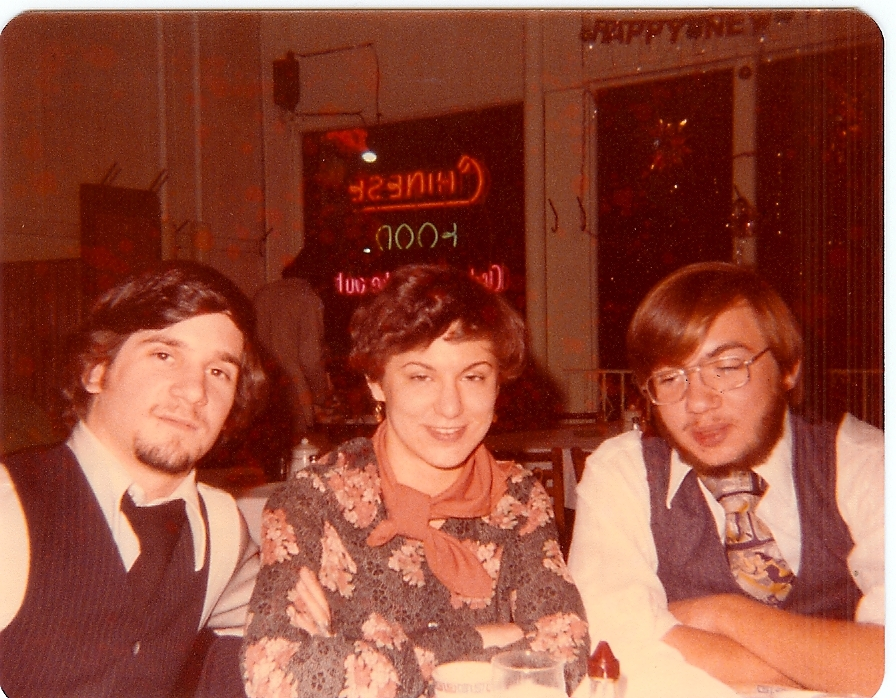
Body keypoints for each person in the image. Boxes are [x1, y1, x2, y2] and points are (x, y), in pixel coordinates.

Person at [240, 264, 590, 698]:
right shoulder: (311, 503)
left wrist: (360, 651)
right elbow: (275, 673)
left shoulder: (518, 498)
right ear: (376, 382)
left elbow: (565, 656)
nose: (450, 407)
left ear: (498, 385)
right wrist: (481, 640)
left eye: (473, 376)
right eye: (421, 376)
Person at [568, 262, 884, 698]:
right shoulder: (624, 472)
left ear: (788, 368)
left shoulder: (864, 464)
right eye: (670, 378)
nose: (698, 402)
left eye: (727, 367)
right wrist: (840, 665)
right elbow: (616, 646)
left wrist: (724, 614)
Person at [0, 261, 268, 698]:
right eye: (164, 355)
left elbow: (270, 618)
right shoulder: (9, 512)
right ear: (96, 370)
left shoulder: (220, 527)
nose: (194, 391)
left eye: (219, 372)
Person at [252, 250, 331, 439]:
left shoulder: (262, 294)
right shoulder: (308, 298)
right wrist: (321, 396)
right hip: (293, 393)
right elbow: (311, 358)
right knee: (299, 449)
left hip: (261, 391)